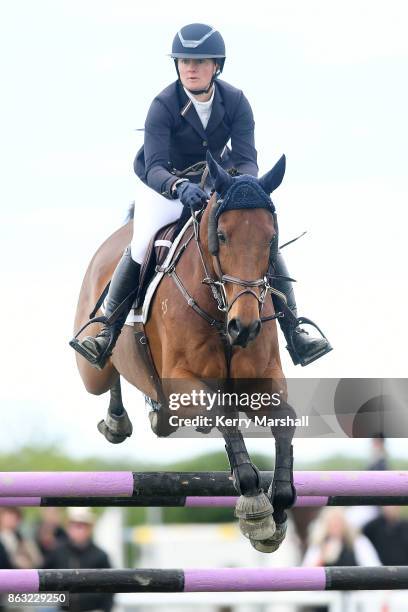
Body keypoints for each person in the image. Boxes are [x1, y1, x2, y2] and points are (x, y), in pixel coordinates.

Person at [70, 23, 331, 370]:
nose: (190, 68)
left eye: (199, 61)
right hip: (162, 186)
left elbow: (246, 158)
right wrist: (178, 187)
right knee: (142, 242)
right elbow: (155, 164)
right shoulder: (163, 105)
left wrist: (241, 189)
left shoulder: (235, 101)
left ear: (216, 66)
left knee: (255, 237)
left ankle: (294, 329)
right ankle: (106, 328)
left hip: (216, 182)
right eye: (183, 61)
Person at [44, 507, 113, 612]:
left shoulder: (101, 555)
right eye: (75, 525)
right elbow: (42, 575)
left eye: (82, 525)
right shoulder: (57, 552)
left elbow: (110, 588)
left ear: (89, 528)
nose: (78, 529)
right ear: (68, 528)